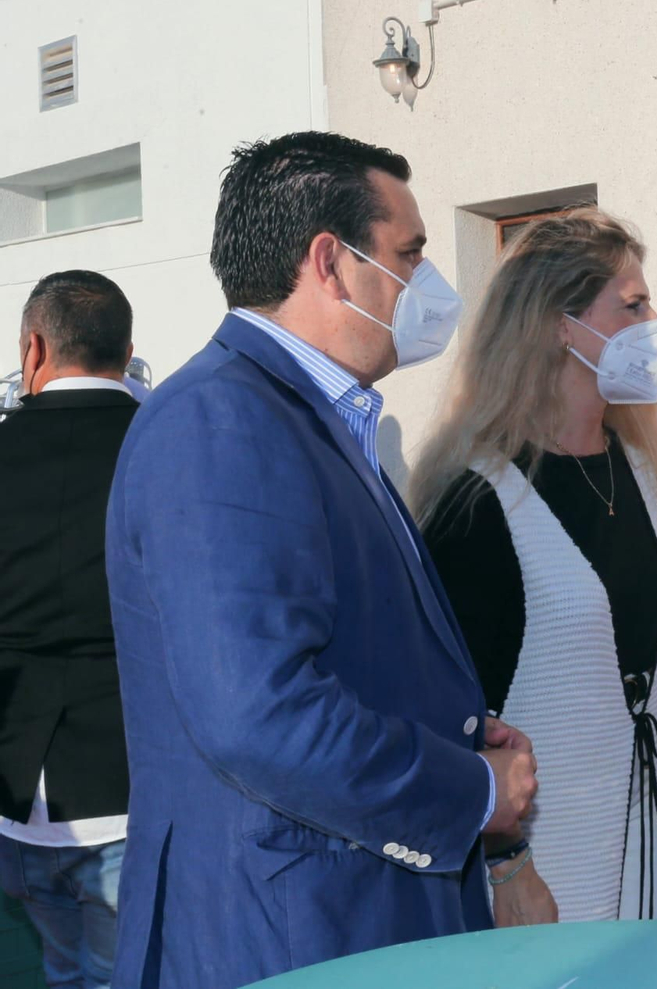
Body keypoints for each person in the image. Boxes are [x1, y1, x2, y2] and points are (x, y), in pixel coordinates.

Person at [104, 131, 538, 989]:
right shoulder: (220, 421)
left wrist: (461, 739)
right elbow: (259, 712)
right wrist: (470, 792)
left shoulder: (314, 414)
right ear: (331, 263)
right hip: (288, 934)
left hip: (347, 913)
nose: (429, 283)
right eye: (410, 253)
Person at [413, 208, 657, 924]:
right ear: (561, 324)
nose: (654, 320)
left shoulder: (636, 467)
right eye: (632, 304)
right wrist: (508, 864)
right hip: (545, 867)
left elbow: (635, 654)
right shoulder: (480, 499)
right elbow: (457, 719)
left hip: (646, 847)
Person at [0, 271, 139, 989]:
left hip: (18, 785)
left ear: (34, 348)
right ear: (127, 349)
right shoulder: (162, 445)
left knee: (59, 971)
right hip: (129, 779)